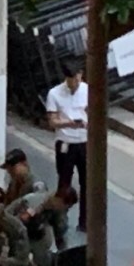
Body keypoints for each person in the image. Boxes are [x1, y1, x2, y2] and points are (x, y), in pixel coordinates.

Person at [44, 61, 90, 228]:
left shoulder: (87, 90)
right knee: (64, 183)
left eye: (78, 80)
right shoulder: (55, 94)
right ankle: (59, 221)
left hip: (84, 141)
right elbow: (52, 121)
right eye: (72, 82)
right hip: (66, 142)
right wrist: (69, 123)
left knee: (88, 182)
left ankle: (85, 221)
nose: (75, 84)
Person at [20, 183, 79, 266]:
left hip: (33, 235)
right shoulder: (33, 202)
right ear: (59, 200)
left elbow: (60, 233)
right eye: (66, 207)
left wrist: (64, 257)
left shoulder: (56, 211)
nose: (65, 210)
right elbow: (16, 223)